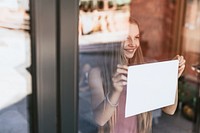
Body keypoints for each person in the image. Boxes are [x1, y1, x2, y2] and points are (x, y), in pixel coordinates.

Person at [88, 18, 186, 133]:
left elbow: (169, 110)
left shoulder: (146, 69)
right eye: (126, 38)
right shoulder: (97, 73)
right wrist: (115, 91)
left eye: (136, 37)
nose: (133, 44)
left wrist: (172, 77)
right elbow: (100, 120)